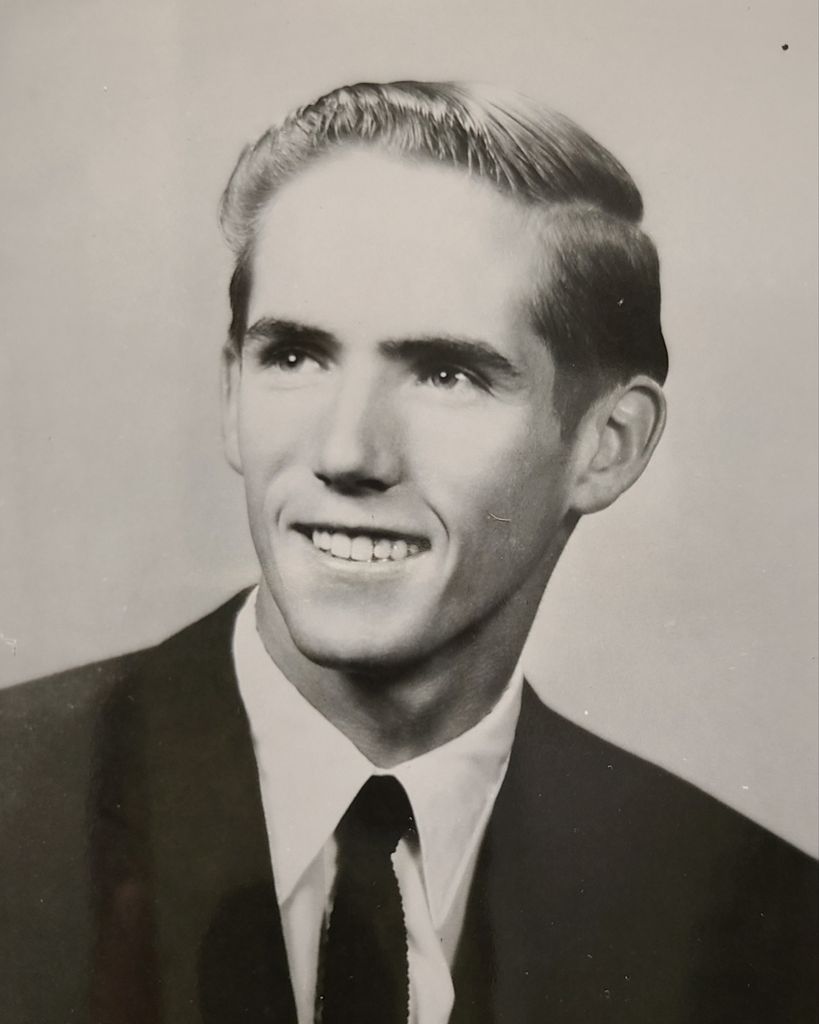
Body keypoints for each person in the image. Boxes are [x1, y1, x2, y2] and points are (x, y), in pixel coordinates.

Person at [1, 80, 816, 1024]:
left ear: (607, 445)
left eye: (446, 373)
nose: (348, 452)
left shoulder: (762, 929)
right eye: (294, 357)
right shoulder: (22, 807)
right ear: (231, 395)